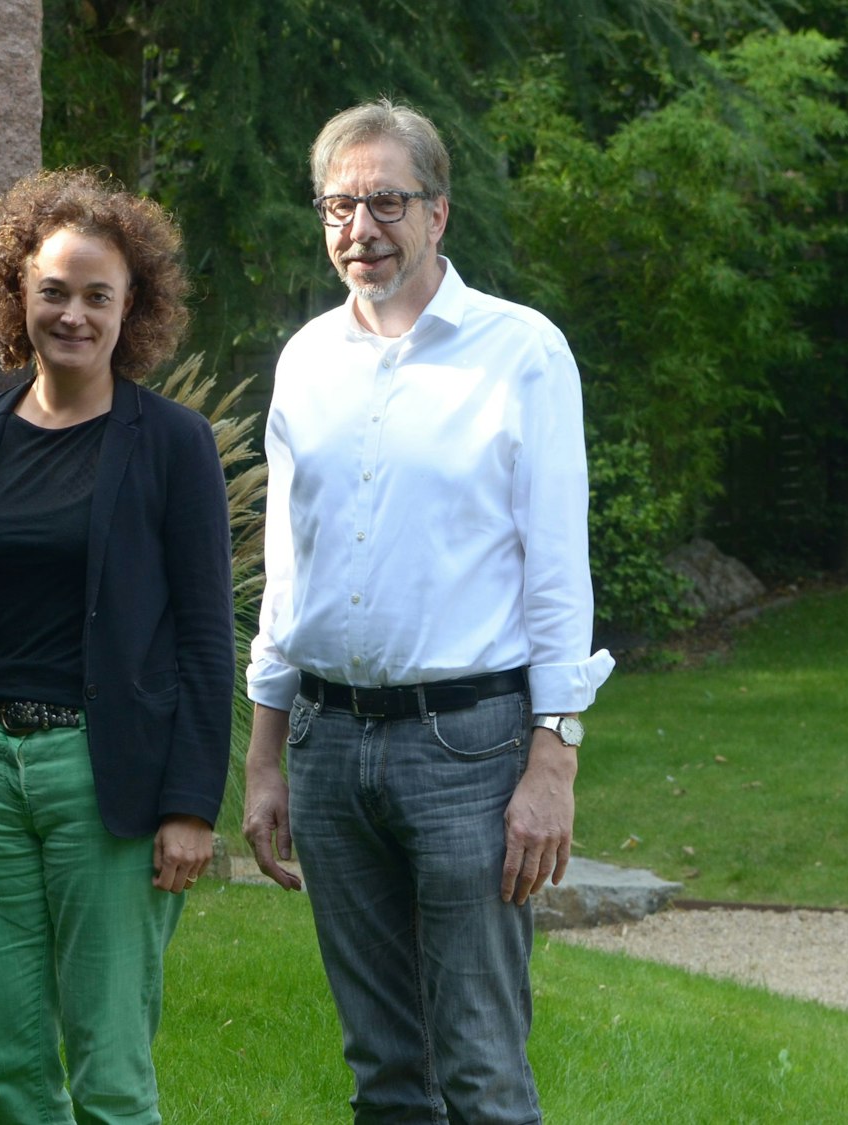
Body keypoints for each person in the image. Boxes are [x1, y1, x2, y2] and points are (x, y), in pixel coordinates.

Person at [241, 99, 616, 1124]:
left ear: (438, 212)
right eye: (338, 205)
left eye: (386, 202)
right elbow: (287, 573)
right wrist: (266, 756)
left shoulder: (521, 352)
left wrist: (551, 762)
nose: (360, 228)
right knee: (384, 1073)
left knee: (481, 1070)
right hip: (326, 745)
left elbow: (557, 576)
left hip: (469, 751)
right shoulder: (306, 359)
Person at [0, 169, 233, 1125]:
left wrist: (190, 805)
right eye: (54, 290)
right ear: (18, 292)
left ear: (134, 307)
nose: (73, 314)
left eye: (97, 295)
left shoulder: (172, 443)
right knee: (8, 1068)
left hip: (106, 777)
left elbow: (206, 636)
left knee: (110, 1071)